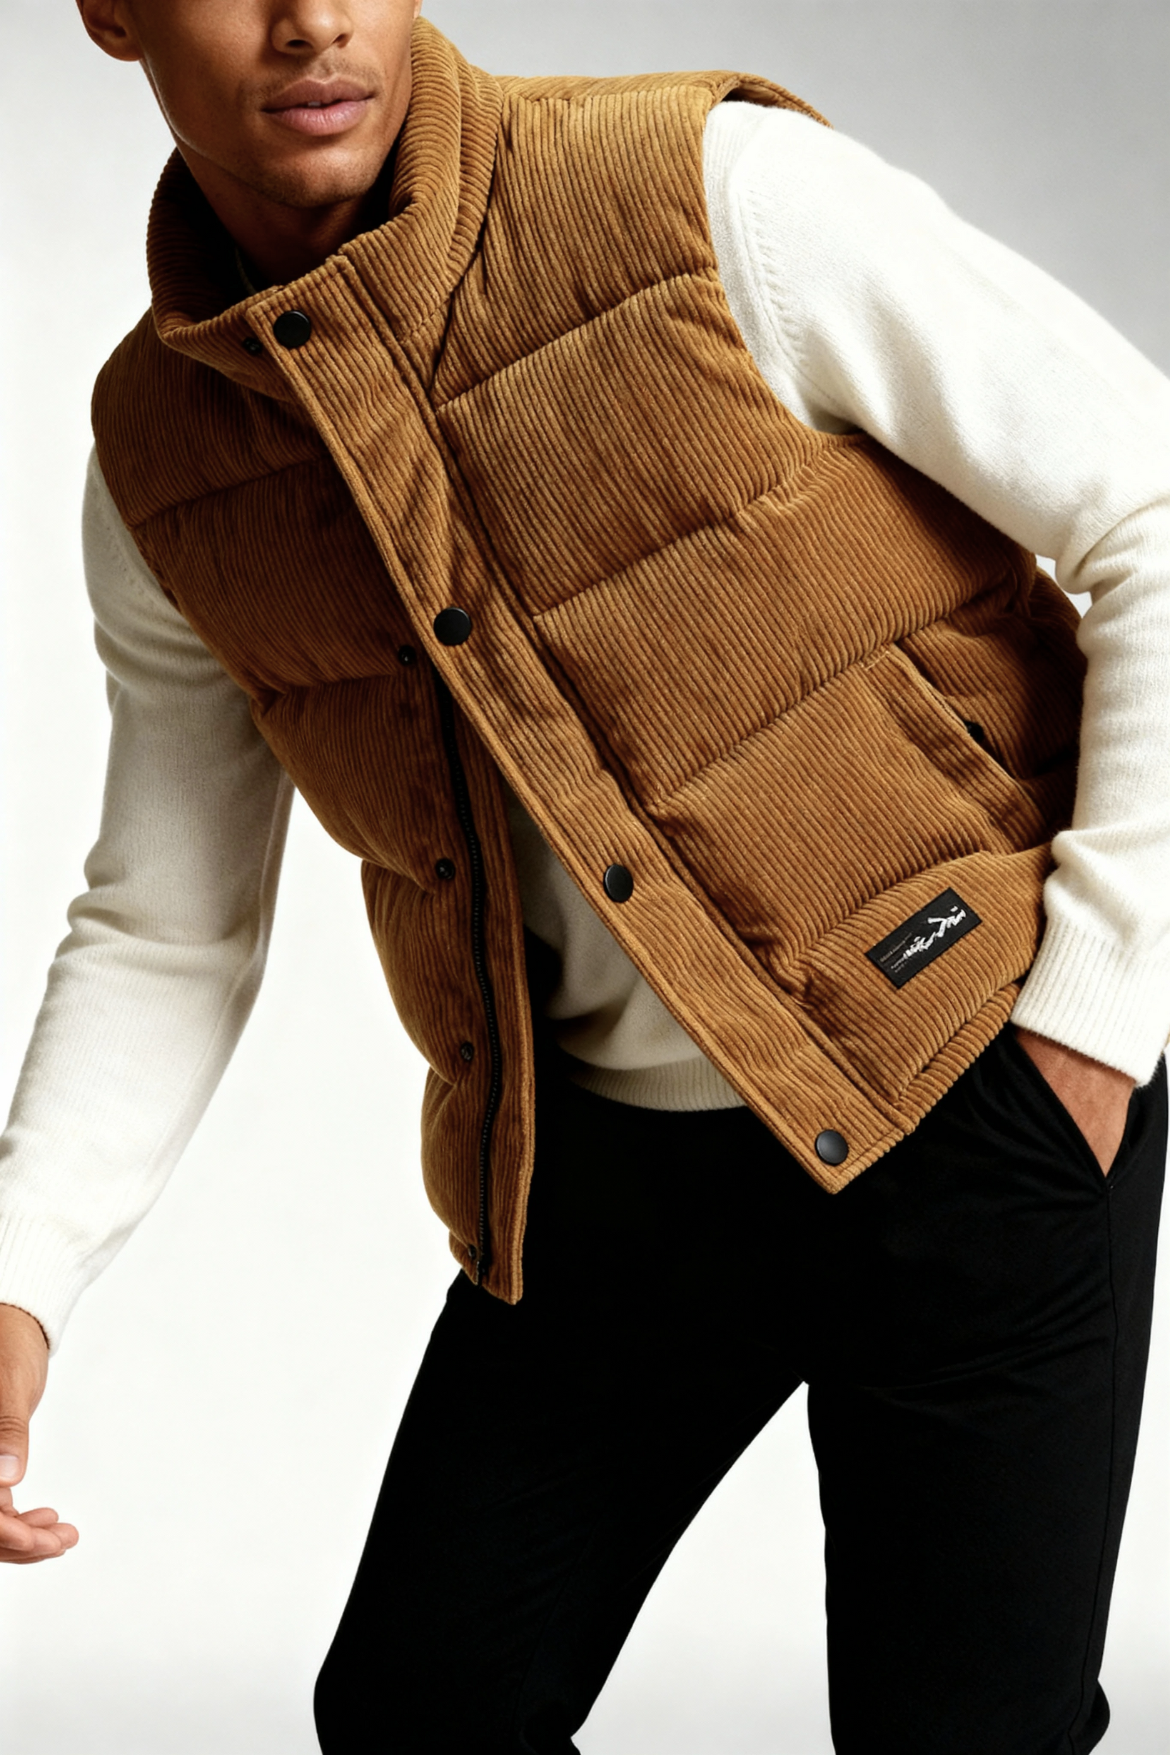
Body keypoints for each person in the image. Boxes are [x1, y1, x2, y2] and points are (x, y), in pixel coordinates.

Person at [1, 1, 1168, 1749]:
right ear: (110, 11)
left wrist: (1084, 1030)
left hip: (962, 1082)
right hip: (607, 1175)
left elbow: (1148, 502)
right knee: (420, 1712)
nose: (311, 21)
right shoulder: (167, 462)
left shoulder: (707, 191)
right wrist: (19, 1270)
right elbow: (167, 921)